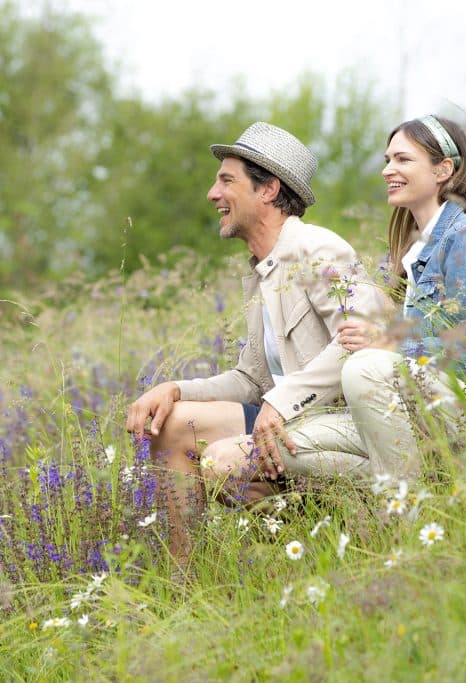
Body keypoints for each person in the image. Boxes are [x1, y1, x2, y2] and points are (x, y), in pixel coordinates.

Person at [203, 115, 466, 506]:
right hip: (425, 409)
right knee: (224, 459)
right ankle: (413, 500)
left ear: (444, 169)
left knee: (365, 367)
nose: (387, 169)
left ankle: (408, 514)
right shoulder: (413, 254)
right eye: (387, 159)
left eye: (403, 160)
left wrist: (393, 342)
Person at [125, 121, 387, 564]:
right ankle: (182, 581)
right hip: (282, 420)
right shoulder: (262, 268)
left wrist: (283, 401)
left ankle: (335, 539)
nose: (213, 194)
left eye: (227, 180)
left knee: (222, 466)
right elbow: (252, 378)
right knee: (172, 425)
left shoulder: (318, 249)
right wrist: (175, 390)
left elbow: (360, 342)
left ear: (268, 190)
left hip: (334, 424)